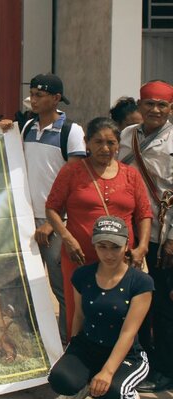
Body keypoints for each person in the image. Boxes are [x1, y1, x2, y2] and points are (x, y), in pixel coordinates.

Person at [47, 117, 152, 340]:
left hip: (119, 260)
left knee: (118, 312)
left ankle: (116, 357)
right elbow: (52, 209)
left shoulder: (130, 175)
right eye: (98, 142)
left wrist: (142, 247)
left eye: (111, 143)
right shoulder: (71, 172)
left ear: (118, 145)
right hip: (79, 257)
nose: (105, 148)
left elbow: (144, 213)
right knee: (78, 312)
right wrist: (67, 239)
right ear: (86, 142)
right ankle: (77, 353)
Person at [48, 216, 152, 399]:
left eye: (115, 247)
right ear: (94, 245)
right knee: (59, 379)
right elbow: (79, 316)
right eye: (102, 246)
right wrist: (72, 349)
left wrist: (108, 372)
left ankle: (129, 398)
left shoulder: (141, 283)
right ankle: (80, 388)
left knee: (111, 394)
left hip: (126, 354)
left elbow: (128, 332)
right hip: (89, 346)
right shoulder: (82, 275)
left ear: (126, 246)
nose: (109, 254)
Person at [117, 80, 173, 392]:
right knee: (132, 299)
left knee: (162, 304)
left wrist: (172, 238)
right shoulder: (127, 135)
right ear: (140, 105)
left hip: (162, 235)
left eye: (161, 105)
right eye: (149, 103)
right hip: (131, 229)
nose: (155, 110)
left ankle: (164, 370)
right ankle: (140, 360)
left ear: (170, 108)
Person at [22, 73, 87, 343]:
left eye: (39, 95)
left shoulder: (71, 131)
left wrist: (53, 222)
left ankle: (68, 343)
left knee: (61, 288)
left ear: (56, 98)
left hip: (57, 223)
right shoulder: (27, 127)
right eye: (32, 94)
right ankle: (35, 343)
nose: (33, 100)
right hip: (27, 220)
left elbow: (76, 181)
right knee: (29, 287)